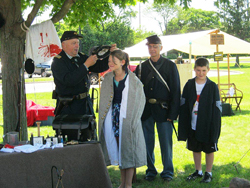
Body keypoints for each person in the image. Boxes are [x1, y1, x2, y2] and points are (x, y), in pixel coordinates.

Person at [51, 31, 116, 141]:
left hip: (85, 104)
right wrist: (86, 65)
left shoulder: (80, 57)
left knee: (88, 136)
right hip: (69, 107)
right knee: (72, 139)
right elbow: (69, 80)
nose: (77, 46)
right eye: (73, 43)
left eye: (77, 43)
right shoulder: (58, 62)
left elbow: (98, 67)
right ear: (64, 45)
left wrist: (110, 54)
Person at [134, 35, 181, 182]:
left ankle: (167, 171)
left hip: (164, 109)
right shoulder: (141, 67)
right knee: (147, 142)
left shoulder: (170, 65)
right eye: (150, 46)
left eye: (155, 46)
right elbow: (135, 89)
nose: (152, 49)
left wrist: (173, 113)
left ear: (161, 47)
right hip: (146, 110)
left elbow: (175, 90)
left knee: (166, 143)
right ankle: (150, 170)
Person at [98, 50, 146, 188]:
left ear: (123, 62)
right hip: (113, 116)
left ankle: (128, 184)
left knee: (128, 148)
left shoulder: (134, 81)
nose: (110, 63)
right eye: (109, 61)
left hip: (127, 117)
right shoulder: (108, 78)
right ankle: (122, 182)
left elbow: (140, 101)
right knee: (119, 148)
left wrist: (133, 120)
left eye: (113, 61)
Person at [178, 57, 222, 183]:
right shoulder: (189, 84)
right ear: (194, 69)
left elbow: (217, 107)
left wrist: (215, 125)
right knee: (195, 147)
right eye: (198, 70)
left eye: (203, 70)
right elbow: (184, 103)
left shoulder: (212, 86)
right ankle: (198, 171)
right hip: (193, 123)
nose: (201, 73)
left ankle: (208, 172)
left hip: (207, 123)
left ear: (208, 70)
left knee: (208, 148)